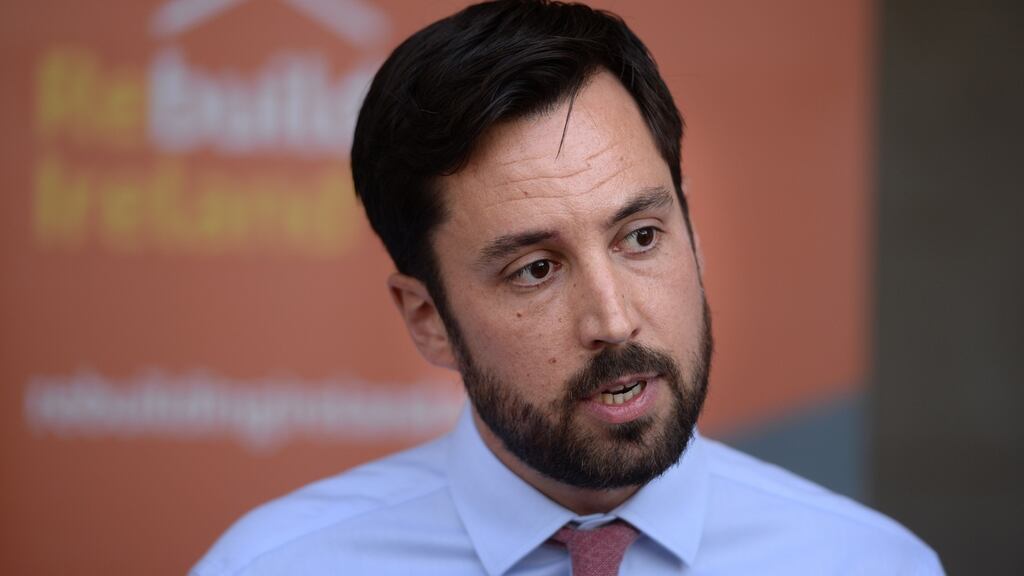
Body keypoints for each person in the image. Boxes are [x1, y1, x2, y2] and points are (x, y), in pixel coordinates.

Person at [191, 1, 943, 574]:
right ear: (428, 320)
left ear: (695, 237)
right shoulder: (275, 565)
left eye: (641, 237)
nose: (614, 322)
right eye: (536, 270)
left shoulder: (868, 563)